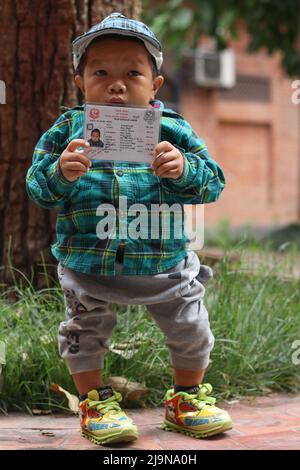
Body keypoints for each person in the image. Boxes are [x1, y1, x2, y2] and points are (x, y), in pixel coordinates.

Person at [26, 12, 232, 446]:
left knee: (192, 329)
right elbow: (38, 188)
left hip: (164, 263)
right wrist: (61, 173)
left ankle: (187, 400)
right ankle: (95, 402)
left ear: (154, 85)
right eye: (101, 72)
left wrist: (183, 169)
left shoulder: (173, 129)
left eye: (132, 73)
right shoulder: (67, 132)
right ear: (80, 81)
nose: (117, 84)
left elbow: (213, 182)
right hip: (89, 264)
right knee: (83, 334)